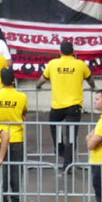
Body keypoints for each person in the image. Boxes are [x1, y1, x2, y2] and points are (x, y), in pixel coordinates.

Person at [39, 39, 95, 172]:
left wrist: (37, 86)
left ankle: (61, 151)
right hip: (74, 107)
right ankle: (67, 165)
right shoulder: (80, 64)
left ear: (60, 52)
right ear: (73, 52)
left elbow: (42, 79)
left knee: (56, 131)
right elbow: (90, 79)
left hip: (57, 106)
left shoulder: (53, 64)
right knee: (71, 137)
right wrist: (93, 87)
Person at [0, 68, 28, 202]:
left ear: (1, 80)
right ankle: (16, 201)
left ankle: (1, 199)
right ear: (13, 80)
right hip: (16, 136)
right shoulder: (22, 96)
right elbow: (24, 113)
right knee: (16, 169)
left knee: (1, 169)